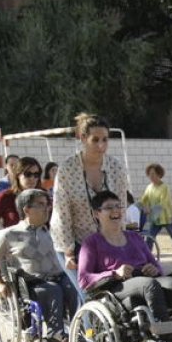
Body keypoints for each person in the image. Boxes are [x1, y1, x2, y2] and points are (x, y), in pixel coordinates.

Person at [77, 191, 172, 342]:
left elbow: (156, 264)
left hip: (146, 281)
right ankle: (166, 340)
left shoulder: (135, 238)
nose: (115, 210)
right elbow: (84, 279)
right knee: (148, 284)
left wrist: (154, 269)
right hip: (117, 287)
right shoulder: (91, 243)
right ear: (96, 214)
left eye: (118, 206)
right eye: (109, 207)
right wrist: (114, 273)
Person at [0, 189, 78, 342]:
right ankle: (56, 334)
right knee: (52, 289)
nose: (47, 208)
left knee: (75, 288)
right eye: (40, 205)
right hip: (32, 282)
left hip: (60, 276)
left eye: (47, 204)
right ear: (26, 209)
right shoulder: (9, 234)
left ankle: (78, 330)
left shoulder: (52, 231)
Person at [51, 113, 129, 294]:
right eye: (95, 140)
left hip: (106, 241)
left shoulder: (115, 168)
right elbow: (61, 213)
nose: (101, 146)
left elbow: (121, 208)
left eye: (105, 140)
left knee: (112, 294)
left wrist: (121, 242)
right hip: (74, 242)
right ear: (83, 138)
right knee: (88, 293)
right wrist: (69, 252)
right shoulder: (67, 170)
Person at [139, 163, 172, 271]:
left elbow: (163, 204)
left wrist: (150, 209)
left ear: (159, 174)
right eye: (149, 174)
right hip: (155, 220)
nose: (151, 177)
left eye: (154, 174)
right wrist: (144, 207)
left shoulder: (164, 187)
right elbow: (143, 200)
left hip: (167, 219)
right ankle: (147, 263)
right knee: (149, 240)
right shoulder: (149, 187)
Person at [0, 157, 43, 238]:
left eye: (36, 175)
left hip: (42, 244)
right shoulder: (5, 196)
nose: (33, 178)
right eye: (28, 174)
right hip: (14, 244)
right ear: (18, 175)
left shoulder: (43, 197)